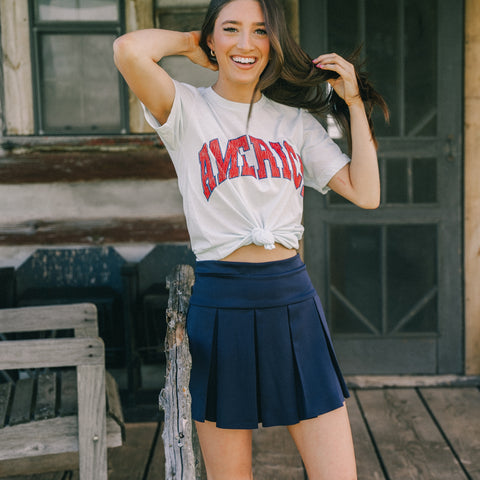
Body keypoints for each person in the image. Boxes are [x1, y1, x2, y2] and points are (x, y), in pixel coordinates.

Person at [114, 0, 387, 478]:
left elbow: (366, 193)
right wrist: (189, 46)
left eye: (260, 32)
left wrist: (354, 104)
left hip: (293, 302)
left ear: (274, 43)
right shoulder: (186, 109)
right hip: (221, 305)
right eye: (231, 30)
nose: (246, 44)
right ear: (212, 40)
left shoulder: (294, 122)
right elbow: (128, 51)